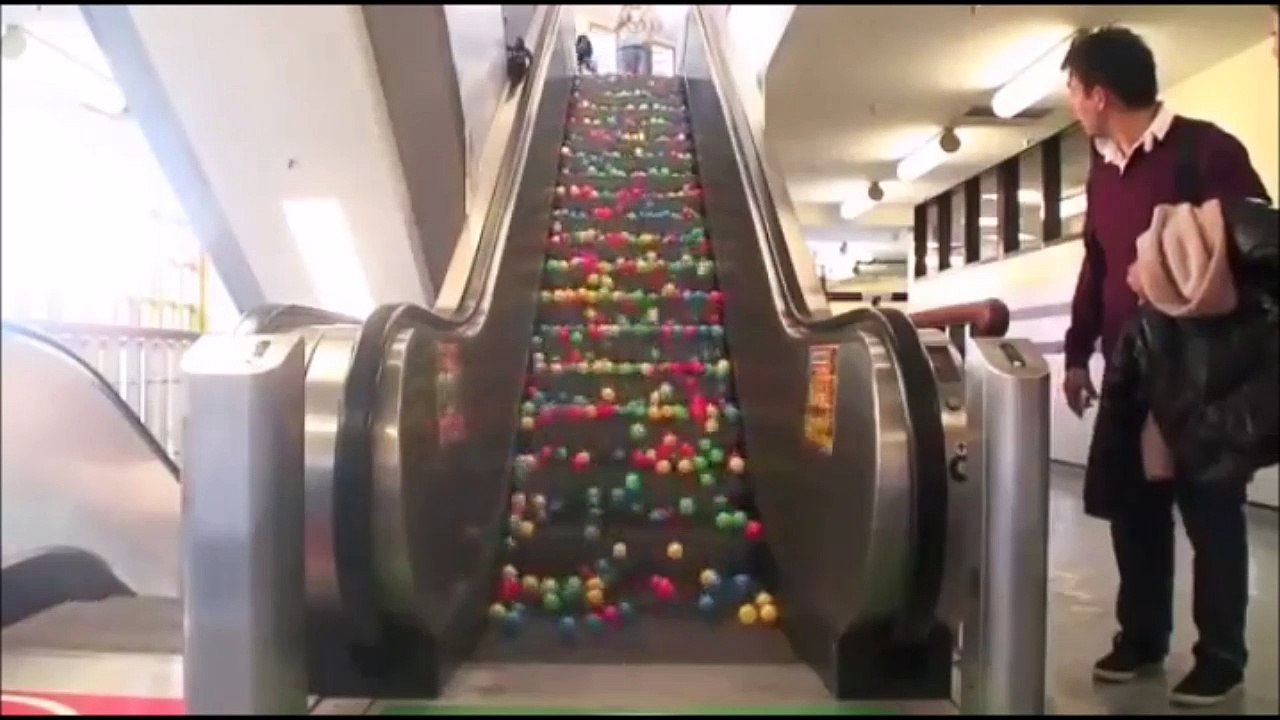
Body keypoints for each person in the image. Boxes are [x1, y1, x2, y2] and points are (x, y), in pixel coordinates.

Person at [1059, 26, 1270, 707]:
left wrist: (1174, 268)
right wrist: (1075, 352)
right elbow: (1095, 265)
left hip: (1203, 367)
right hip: (1131, 367)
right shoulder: (1101, 169)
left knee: (1212, 510)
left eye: (1072, 89)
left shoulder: (1207, 150)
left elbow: (1259, 241)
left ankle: (1222, 657)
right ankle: (1141, 637)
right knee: (1134, 508)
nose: (1070, 103)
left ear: (1099, 93)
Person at [616, 5, 661, 76]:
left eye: (638, 9)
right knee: (626, 77)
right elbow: (615, 26)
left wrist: (651, 11)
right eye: (633, 9)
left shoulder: (647, 26)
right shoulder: (623, 27)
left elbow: (657, 26)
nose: (636, 12)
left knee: (643, 77)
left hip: (643, 51)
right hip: (626, 52)